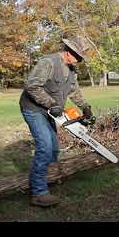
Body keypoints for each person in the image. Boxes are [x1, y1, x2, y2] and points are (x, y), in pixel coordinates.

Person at [19, 35, 94, 207]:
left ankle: (48, 180)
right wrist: (51, 104)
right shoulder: (49, 63)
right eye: (78, 56)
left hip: (50, 111)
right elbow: (32, 86)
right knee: (45, 146)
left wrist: (86, 107)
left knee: (53, 148)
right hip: (34, 109)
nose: (80, 60)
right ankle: (38, 193)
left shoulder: (72, 70)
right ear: (68, 52)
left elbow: (74, 91)